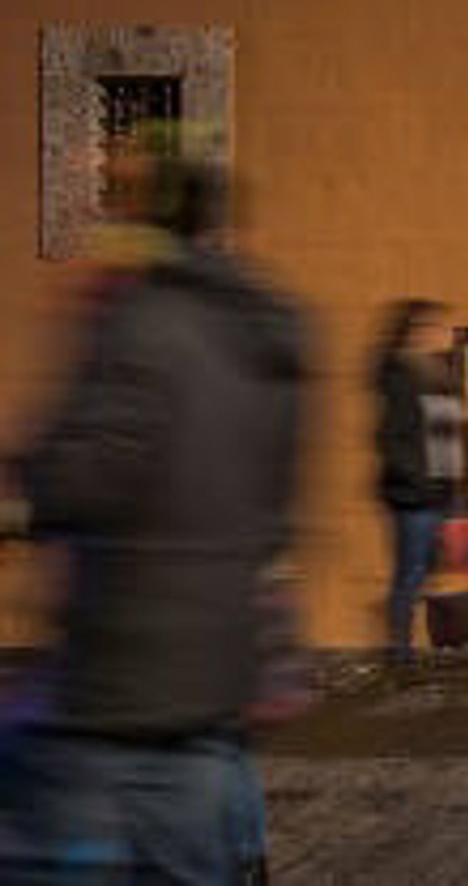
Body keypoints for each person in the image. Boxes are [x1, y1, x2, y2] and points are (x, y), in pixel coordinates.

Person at [0, 145, 307, 882]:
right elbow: (276, 501)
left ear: (148, 219)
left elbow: (90, 473)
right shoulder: (273, 329)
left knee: (39, 822)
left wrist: (26, 490)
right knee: (188, 853)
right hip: (217, 663)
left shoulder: (141, 318)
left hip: (123, 662)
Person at [372, 297, 464, 665]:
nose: (446, 333)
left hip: (444, 486)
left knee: (450, 566)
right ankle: (401, 651)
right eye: (438, 326)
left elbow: (443, 428)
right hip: (416, 492)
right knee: (411, 572)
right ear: (417, 331)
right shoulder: (400, 375)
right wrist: (421, 482)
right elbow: (390, 438)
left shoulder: (436, 373)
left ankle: (440, 640)